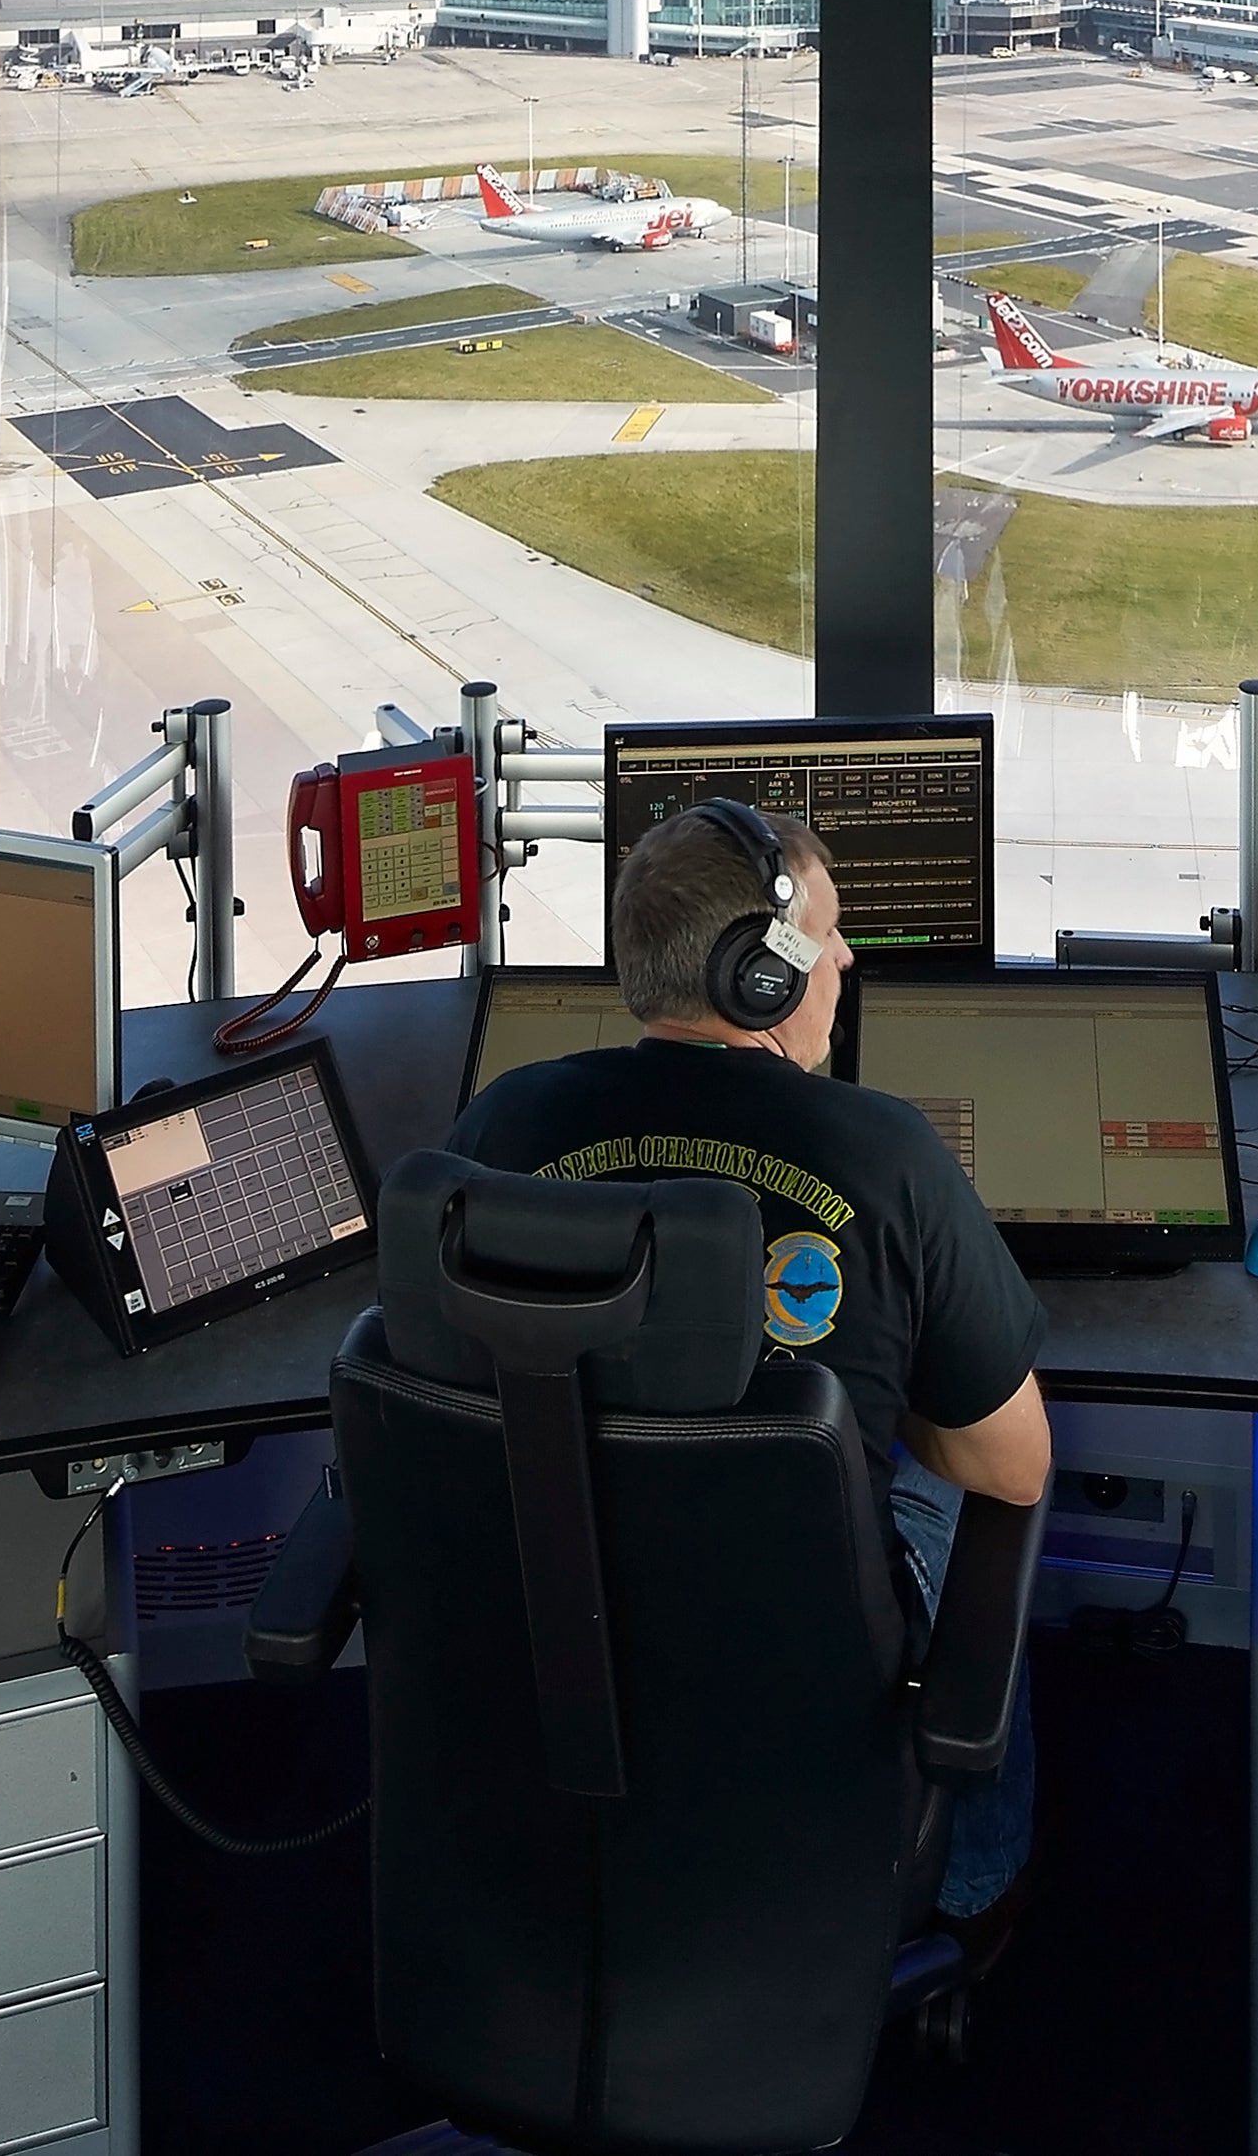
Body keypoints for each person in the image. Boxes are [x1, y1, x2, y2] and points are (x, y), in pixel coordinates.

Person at [449, 799, 1051, 1958]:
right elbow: (1011, 1467)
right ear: (760, 976)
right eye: (826, 937)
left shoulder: (497, 1125)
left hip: (547, 1615)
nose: (845, 960)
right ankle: (973, 1881)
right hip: (792, 1656)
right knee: (972, 1492)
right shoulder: (885, 1152)